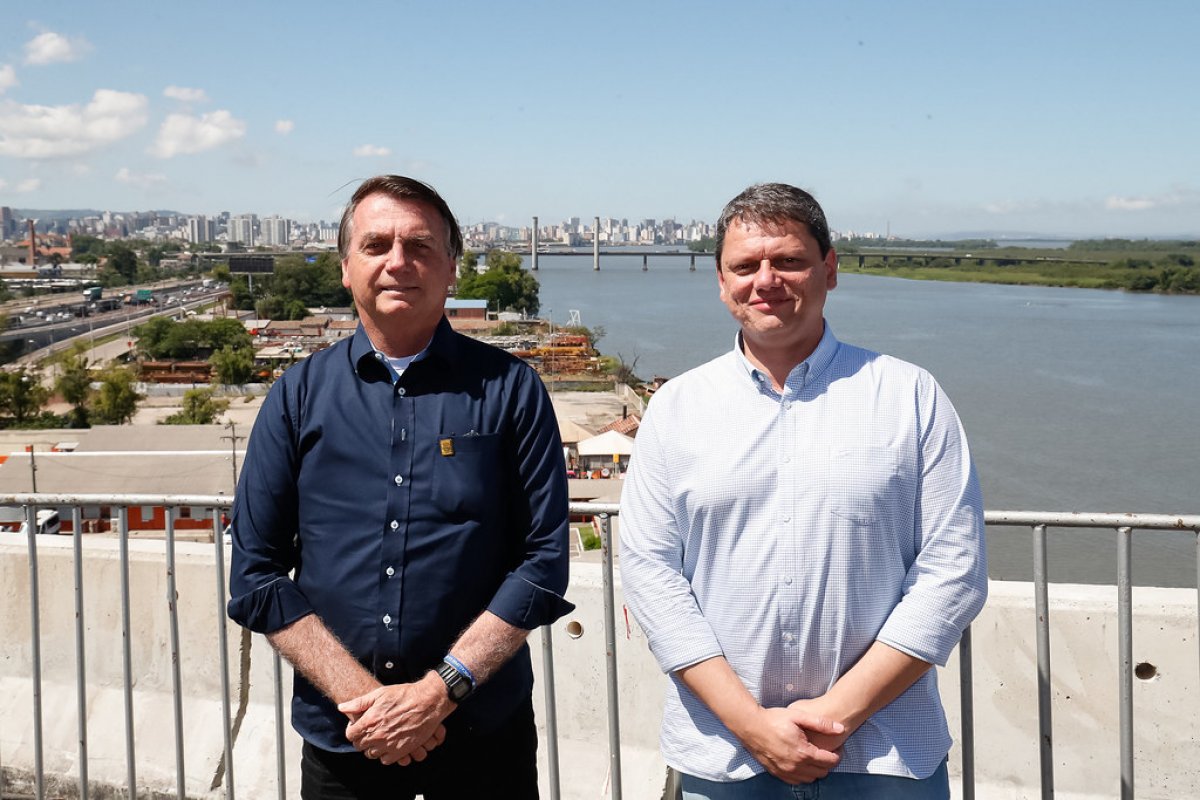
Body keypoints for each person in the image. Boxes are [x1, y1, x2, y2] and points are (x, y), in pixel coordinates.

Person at [619, 183, 987, 799]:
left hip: (883, 754)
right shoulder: (677, 406)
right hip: (725, 754)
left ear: (830, 269)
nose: (766, 280)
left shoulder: (909, 396)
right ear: (721, 281)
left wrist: (835, 716)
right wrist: (752, 726)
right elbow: (651, 573)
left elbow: (954, 573)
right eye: (745, 266)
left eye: (788, 260)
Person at [227, 175, 572, 799]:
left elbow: (543, 564)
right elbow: (257, 575)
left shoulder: (511, 391)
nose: (398, 262)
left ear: (451, 270)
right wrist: (371, 705)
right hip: (346, 738)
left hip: (483, 739)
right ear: (345, 268)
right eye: (376, 244)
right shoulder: (298, 397)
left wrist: (440, 692)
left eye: (420, 245)